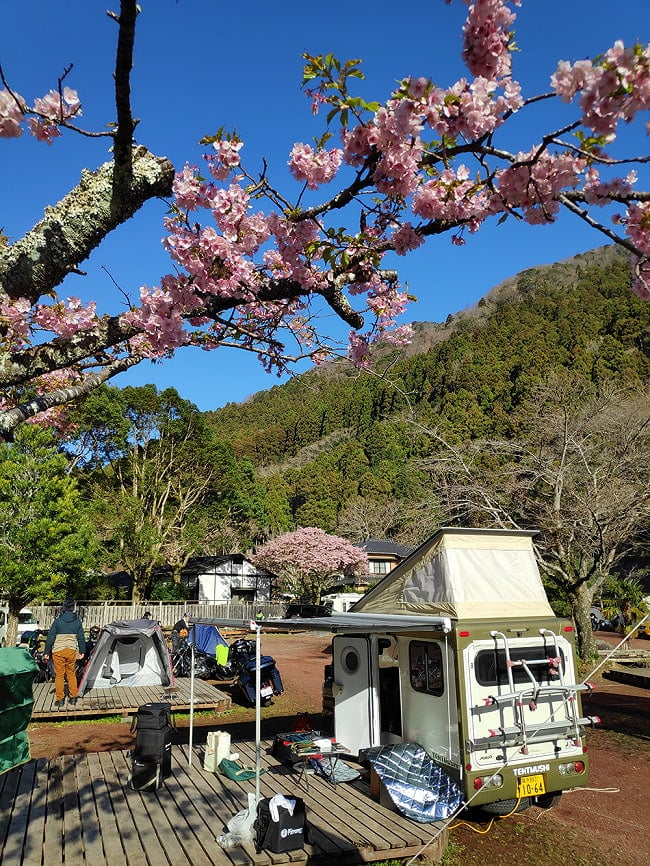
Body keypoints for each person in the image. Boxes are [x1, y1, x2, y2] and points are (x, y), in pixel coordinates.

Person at [44, 600, 86, 709]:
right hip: (71, 650)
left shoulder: (57, 622)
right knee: (71, 673)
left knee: (59, 675)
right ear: (74, 608)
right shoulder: (77, 622)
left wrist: (46, 652)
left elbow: (50, 638)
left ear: (63, 608)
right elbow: (81, 638)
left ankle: (60, 700)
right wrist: (82, 651)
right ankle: (73, 698)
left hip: (58, 650)